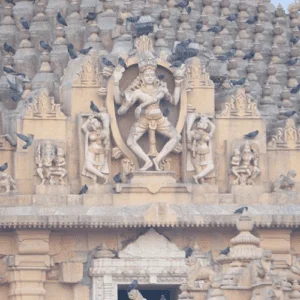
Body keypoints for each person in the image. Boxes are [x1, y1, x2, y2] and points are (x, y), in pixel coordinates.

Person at [113, 36, 185, 171]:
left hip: (160, 119)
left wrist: (178, 84)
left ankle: (158, 159)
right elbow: (120, 109)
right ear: (142, 77)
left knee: (176, 137)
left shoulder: (161, 88)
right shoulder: (137, 92)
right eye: (147, 75)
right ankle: (147, 161)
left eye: (152, 75)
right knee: (130, 141)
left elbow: (175, 101)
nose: (150, 78)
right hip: (144, 119)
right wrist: (117, 84)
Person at [81, 111, 110, 184]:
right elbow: (83, 127)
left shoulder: (103, 131)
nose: (97, 122)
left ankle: (95, 179)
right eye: (95, 122)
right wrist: (89, 119)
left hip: (101, 152)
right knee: (88, 166)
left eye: (97, 121)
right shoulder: (89, 133)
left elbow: (106, 117)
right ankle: (102, 176)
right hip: (91, 151)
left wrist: (107, 146)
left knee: (99, 168)